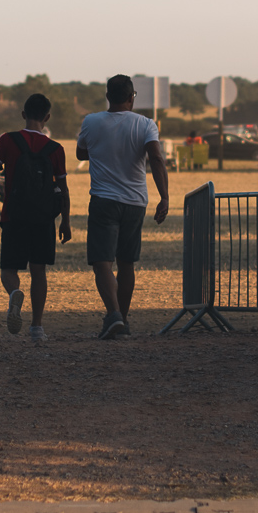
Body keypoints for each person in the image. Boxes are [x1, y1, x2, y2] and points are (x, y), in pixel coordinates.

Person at [0, 94, 70, 341]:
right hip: (44, 219)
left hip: (14, 215)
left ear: (23, 114)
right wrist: (65, 220)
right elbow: (63, 190)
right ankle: (37, 327)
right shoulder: (56, 150)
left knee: (9, 268)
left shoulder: (8, 141)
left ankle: (14, 294)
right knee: (39, 270)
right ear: (48, 117)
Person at [76, 73, 170, 340]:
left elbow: (81, 153)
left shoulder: (91, 121)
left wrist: (103, 148)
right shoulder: (146, 124)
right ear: (132, 98)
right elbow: (156, 158)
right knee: (126, 263)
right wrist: (164, 197)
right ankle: (122, 320)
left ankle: (113, 314)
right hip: (135, 202)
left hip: (104, 200)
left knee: (101, 261)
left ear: (107, 97)